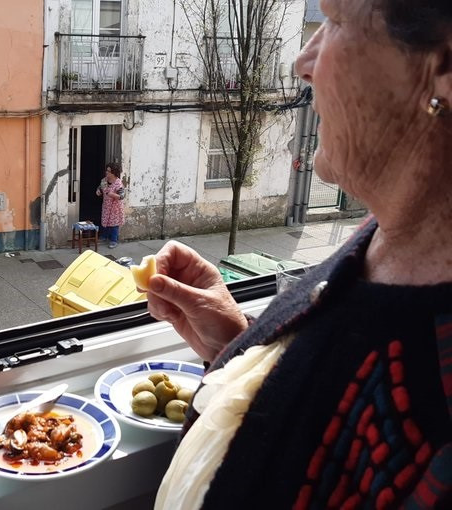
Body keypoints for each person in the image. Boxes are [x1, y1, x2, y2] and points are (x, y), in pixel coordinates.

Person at [147, 1, 452, 508]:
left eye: (333, 21)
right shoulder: (381, 234)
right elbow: (321, 401)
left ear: (442, 68)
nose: (302, 62)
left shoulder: (434, 410)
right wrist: (237, 347)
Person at [96, 162, 125, 248]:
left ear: (114, 173)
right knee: (105, 221)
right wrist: (98, 191)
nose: (107, 172)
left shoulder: (118, 183)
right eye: (107, 171)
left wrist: (112, 194)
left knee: (114, 224)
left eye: (109, 171)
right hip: (106, 205)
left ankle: (113, 240)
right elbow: (100, 188)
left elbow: (121, 196)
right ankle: (104, 236)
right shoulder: (104, 180)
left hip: (115, 207)